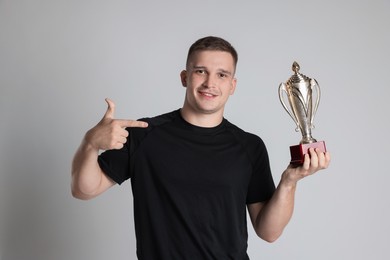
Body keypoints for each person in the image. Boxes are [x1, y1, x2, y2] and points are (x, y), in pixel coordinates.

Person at [71, 36, 331, 259]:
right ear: (185, 77)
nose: (210, 83)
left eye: (222, 74)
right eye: (200, 71)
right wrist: (90, 143)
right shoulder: (143, 135)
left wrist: (289, 181)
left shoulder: (249, 146)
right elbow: (84, 189)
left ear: (232, 85)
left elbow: (268, 231)